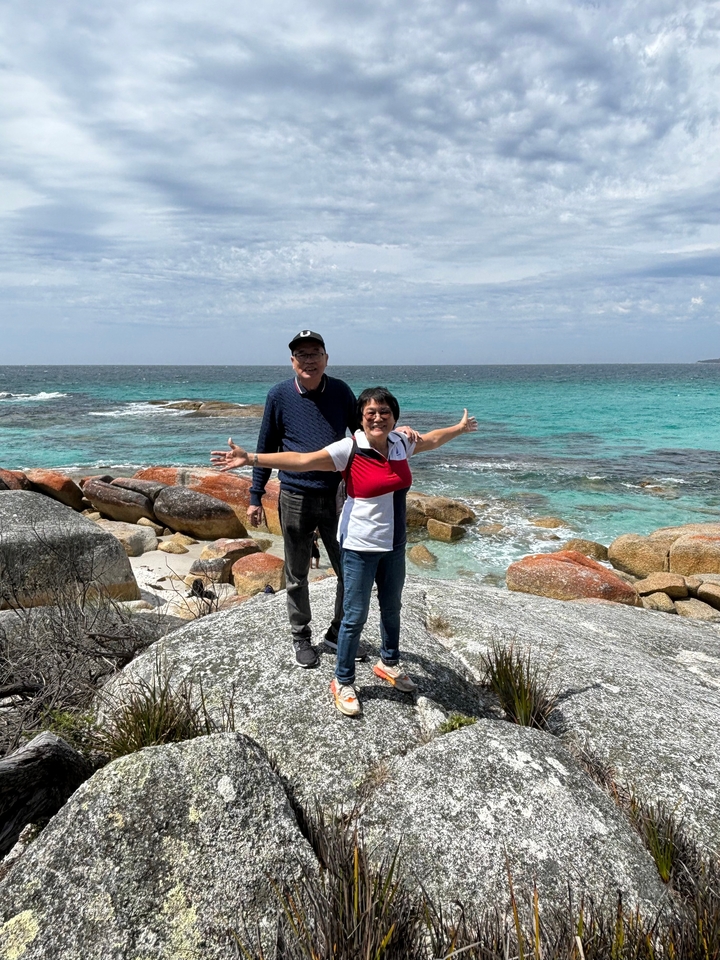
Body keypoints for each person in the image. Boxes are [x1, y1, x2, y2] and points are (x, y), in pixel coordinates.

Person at [211, 387, 477, 717]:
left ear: (395, 416)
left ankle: (389, 663)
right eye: (370, 413)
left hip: (394, 545)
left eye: (385, 412)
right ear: (361, 420)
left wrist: (460, 428)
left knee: (392, 607)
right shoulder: (349, 449)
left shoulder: (400, 443)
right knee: (354, 616)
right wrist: (251, 458)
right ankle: (342, 680)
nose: (378, 417)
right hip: (360, 546)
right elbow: (303, 460)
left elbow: (433, 439)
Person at [237, 330, 416, 669]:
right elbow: (267, 443)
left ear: (326, 358)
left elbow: (365, 431)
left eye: (315, 353)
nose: (309, 359)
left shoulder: (341, 391)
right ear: (292, 361)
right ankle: (301, 636)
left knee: (348, 571)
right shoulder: (278, 395)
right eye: (301, 354)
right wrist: (255, 495)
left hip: (337, 496)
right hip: (294, 495)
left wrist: (397, 432)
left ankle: (335, 633)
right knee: (296, 573)